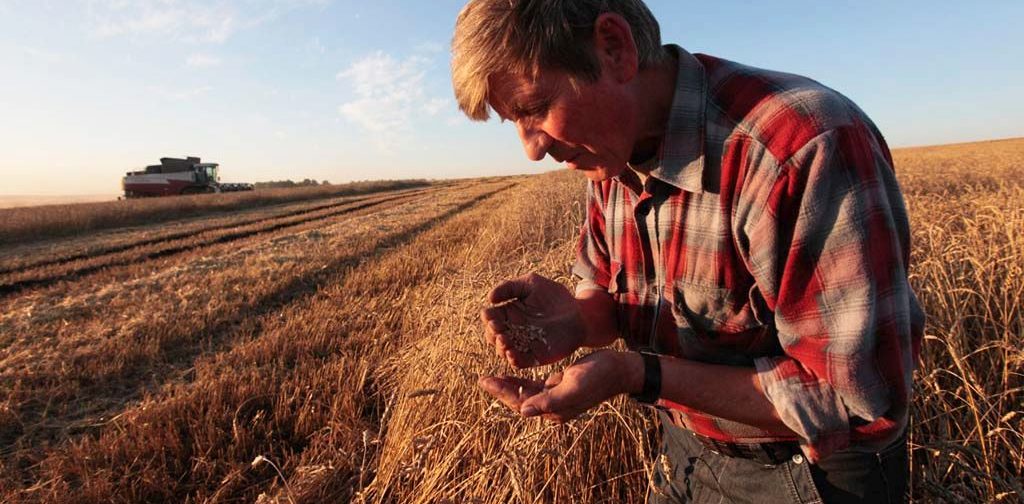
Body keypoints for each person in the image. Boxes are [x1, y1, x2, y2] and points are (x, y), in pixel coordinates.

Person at [452, 1, 925, 502]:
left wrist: (637, 374)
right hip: (685, 450)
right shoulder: (608, 154)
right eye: (514, 123)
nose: (531, 148)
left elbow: (852, 399)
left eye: (533, 108)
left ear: (614, 48)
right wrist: (577, 320)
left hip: (811, 471)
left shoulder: (800, 146)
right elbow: (615, 296)